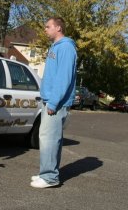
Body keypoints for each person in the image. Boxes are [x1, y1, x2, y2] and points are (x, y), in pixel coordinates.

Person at [31, 17, 77, 188]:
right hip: (50, 100)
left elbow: (63, 78)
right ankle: (47, 172)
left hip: (55, 103)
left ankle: (49, 177)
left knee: (49, 139)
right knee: (49, 139)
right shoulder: (56, 47)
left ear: (58, 28)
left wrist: (53, 102)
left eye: (48, 26)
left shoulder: (66, 47)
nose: (45, 29)